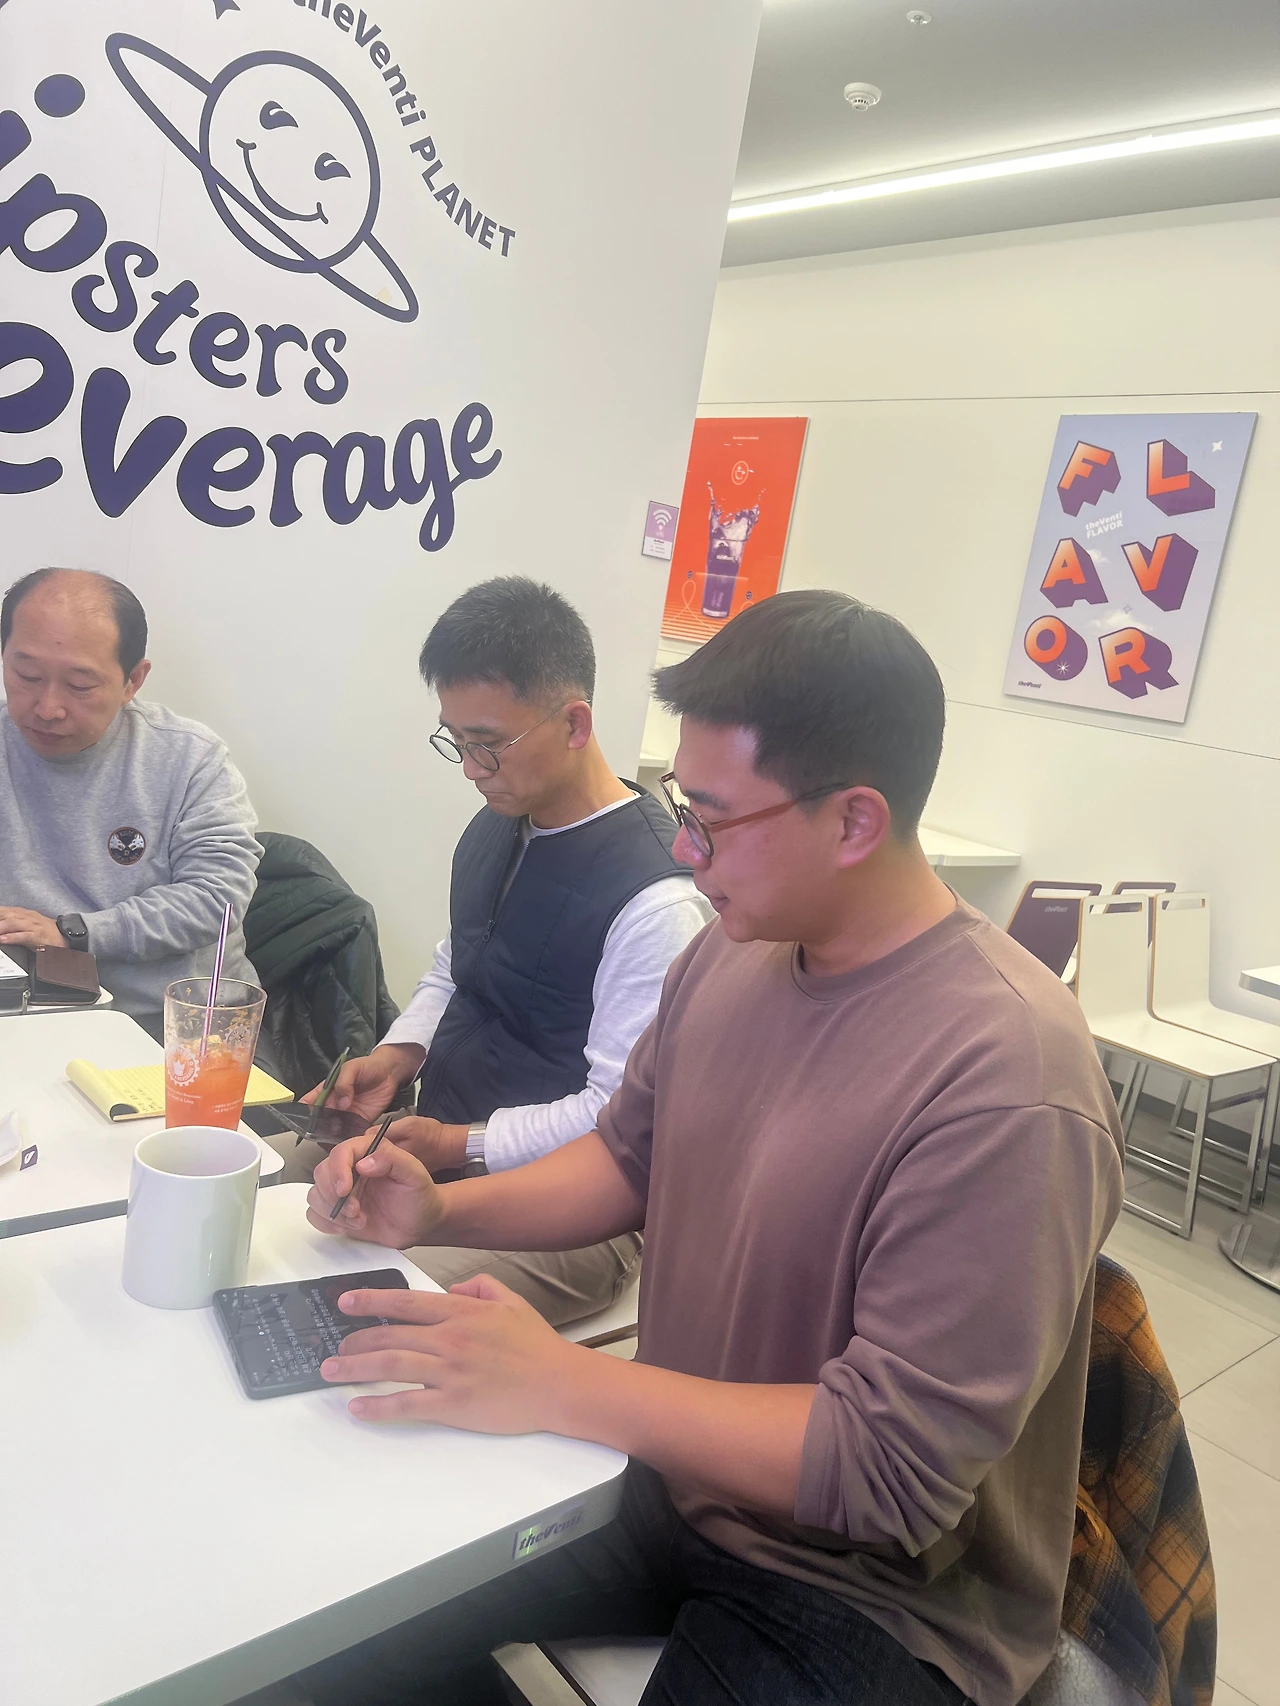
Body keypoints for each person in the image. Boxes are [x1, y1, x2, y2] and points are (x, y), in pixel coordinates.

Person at [298, 588, 1126, 1706]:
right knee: (335, 1631)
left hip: (871, 1592)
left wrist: (564, 1380)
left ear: (854, 822)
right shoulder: (733, 953)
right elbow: (628, 1160)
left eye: (713, 817)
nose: (683, 849)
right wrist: (441, 1210)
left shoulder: (1008, 1076)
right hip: (673, 1477)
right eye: (681, 805)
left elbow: (887, 1468)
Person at [307, 576, 709, 1324]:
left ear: (575, 723)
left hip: (570, 1212)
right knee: (254, 1180)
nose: (470, 769)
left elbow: (615, 1113)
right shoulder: (499, 822)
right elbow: (456, 964)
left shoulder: (656, 901)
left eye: (488, 745)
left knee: (345, 1305)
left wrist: (457, 1144)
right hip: (438, 1152)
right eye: (456, 742)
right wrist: (398, 1056)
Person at [0, 568, 262, 1028]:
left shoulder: (189, 758)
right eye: (27, 675)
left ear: (132, 681)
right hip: (24, 1016)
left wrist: (74, 933)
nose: (47, 708)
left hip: (169, 1026)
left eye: (80, 686)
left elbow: (215, 899)